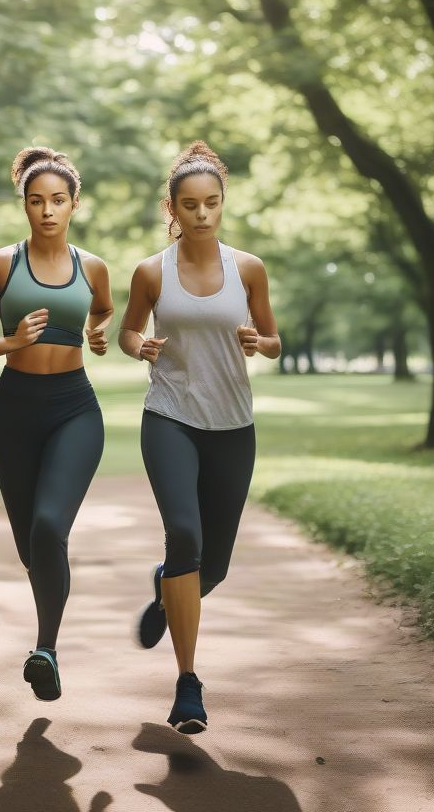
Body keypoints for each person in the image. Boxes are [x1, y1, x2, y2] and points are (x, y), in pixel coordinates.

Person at [118, 140, 280, 733]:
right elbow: (130, 331)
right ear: (173, 208)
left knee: (213, 568)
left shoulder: (250, 268)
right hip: (170, 417)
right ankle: (188, 684)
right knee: (184, 536)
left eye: (211, 203)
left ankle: (168, 594)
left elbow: (273, 338)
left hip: (233, 426)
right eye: (190, 205)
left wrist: (261, 345)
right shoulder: (151, 271)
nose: (202, 214)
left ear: (222, 203)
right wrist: (142, 347)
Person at [0, 146, 113, 702]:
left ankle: (46, 648)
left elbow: (103, 309)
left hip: (75, 408)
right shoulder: (0, 264)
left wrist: (94, 333)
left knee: (50, 527)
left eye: (58, 200)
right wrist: (11, 342)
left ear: (74, 204)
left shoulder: (92, 267)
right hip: (14, 409)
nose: (47, 210)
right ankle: (47, 634)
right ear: (23, 204)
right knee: (31, 547)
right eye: (36, 200)